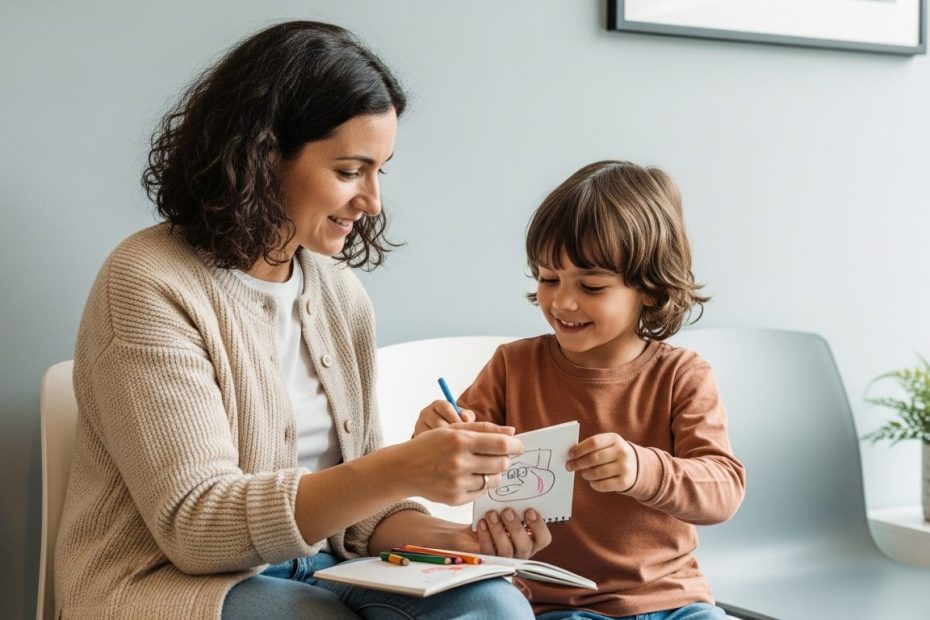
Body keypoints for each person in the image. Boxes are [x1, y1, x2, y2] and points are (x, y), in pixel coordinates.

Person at [56, 21, 549, 620]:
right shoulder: (148, 281)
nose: (372, 201)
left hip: (322, 569)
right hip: (167, 583)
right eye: (349, 171)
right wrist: (399, 468)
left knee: (494, 606)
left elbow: (360, 520)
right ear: (263, 156)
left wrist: (464, 543)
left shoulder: (340, 294)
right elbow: (196, 526)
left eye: (379, 171)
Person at [414, 161, 746, 619]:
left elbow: (724, 489)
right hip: (559, 605)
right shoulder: (514, 366)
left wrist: (641, 470)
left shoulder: (681, 375)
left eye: (591, 286)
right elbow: (449, 469)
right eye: (549, 279)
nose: (562, 302)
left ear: (649, 289)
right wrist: (435, 436)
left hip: (675, 602)